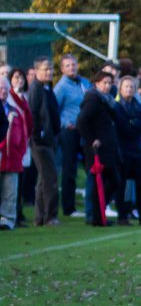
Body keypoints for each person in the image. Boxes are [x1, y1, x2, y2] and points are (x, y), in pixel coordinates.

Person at [76, 69, 124, 226]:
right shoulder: (92, 100)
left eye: (110, 83)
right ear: (96, 84)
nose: (108, 86)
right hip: (99, 150)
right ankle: (95, 216)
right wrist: (91, 140)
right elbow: (82, 121)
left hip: (109, 148)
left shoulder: (106, 100)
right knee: (102, 182)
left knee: (112, 181)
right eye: (104, 83)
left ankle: (98, 214)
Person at [53, 54, 92, 219]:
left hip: (85, 130)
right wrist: (64, 123)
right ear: (62, 68)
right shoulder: (61, 87)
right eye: (67, 65)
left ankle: (95, 203)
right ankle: (69, 207)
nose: (71, 68)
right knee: (69, 169)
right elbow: (53, 109)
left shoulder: (84, 83)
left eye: (73, 64)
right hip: (69, 131)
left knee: (92, 166)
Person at [111, 75, 141, 225]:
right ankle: (122, 216)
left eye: (131, 86)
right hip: (123, 151)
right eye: (126, 86)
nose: (129, 89)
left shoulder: (138, 105)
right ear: (120, 88)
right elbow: (124, 128)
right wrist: (136, 125)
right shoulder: (117, 107)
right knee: (121, 185)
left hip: (137, 150)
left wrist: (134, 124)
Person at [28, 57, 61, 226]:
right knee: (50, 178)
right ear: (37, 71)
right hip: (40, 141)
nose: (49, 72)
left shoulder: (47, 88)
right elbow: (32, 113)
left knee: (43, 180)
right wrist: (38, 135)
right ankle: (50, 216)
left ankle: (40, 217)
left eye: (50, 69)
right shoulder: (36, 89)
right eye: (45, 69)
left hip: (48, 139)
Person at [9, 68, 34, 227]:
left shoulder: (24, 98)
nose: (19, 80)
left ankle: (18, 211)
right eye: (16, 77)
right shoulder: (10, 98)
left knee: (21, 179)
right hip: (12, 145)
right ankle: (12, 213)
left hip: (24, 143)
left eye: (21, 78)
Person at [0, 79, 27, 230]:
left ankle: (7, 220)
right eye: (0, 88)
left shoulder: (15, 111)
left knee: (10, 191)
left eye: (5, 88)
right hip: (1, 153)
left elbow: (23, 134)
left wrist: (21, 152)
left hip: (12, 157)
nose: (3, 91)